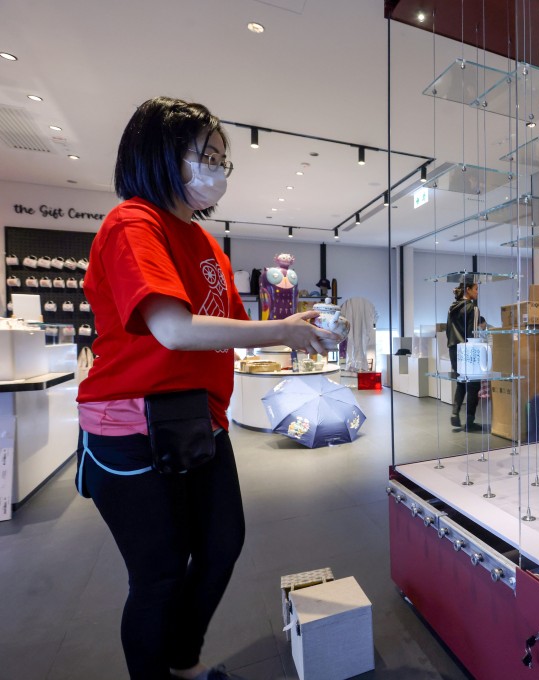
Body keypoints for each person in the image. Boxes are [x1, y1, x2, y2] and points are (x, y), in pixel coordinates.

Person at [75, 97, 340, 680]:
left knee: (222, 543)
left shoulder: (207, 244)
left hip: (201, 419)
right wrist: (281, 330)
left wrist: (292, 334)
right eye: (208, 155)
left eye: (224, 160)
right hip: (131, 426)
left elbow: (223, 332)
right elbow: (172, 329)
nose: (218, 170)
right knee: (160, 571)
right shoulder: (133, 223)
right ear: (162, 153)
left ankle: (182, 660)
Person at [446, 280, 486, 432]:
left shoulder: (452, 307)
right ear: (468, 290)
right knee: (474, 383)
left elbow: (448, 330)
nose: (477, 292)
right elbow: (473, 333)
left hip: (453, 348)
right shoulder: (472, 308)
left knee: (461, 381)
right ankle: (470, 421)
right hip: (468, 349)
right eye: (476, 289)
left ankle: (455, 412)